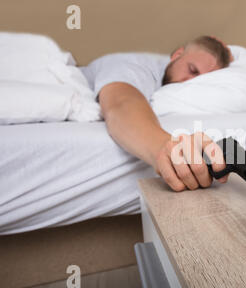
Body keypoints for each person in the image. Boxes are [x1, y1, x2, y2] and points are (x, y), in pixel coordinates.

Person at [80, 36, 233, 191]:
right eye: (192, 70)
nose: (188, 81)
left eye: (199, 81)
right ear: (178, 54)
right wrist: (168, 149)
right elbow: (121, 102)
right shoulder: (134, 65)